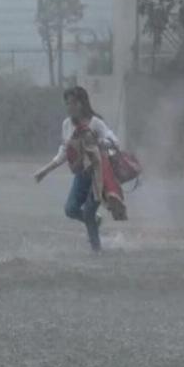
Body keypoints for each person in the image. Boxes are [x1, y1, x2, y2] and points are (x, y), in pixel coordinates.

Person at [35, 86, 126, 252]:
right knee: (70, 209)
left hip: (98, 175)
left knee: (89, 211)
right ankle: (95, 224)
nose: (70, 107)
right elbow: (64, 151)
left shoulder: (95, 123)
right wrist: (44, 171)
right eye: (67, 103)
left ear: (82, 103)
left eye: (73, 103)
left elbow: (114, 141)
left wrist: (101, 143)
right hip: (81, 174)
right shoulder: (67, 125)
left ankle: (96, 250)